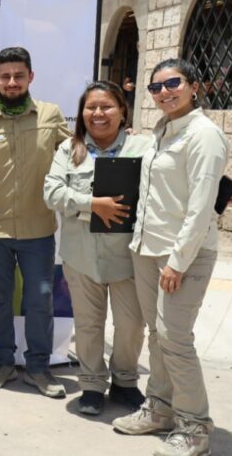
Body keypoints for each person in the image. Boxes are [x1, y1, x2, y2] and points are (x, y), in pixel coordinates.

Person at [112, 59, 230, 456]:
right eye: (156, 87)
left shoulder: (204, 135)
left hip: (183, 254)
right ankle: (160, 409)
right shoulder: (162, 131)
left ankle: (195, 428)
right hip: (148, 247)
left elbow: (201, 206)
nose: (164, 92)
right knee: (158, 336)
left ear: (194, 86)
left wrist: (178, 261)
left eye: (173, 83)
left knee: (176, 339)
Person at [0, 46, 70, 398]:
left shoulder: (51, 116)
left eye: (18, 75)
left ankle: (38, 367)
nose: (11, 82)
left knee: (40, 300)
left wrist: (116, 138)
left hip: (38, 231)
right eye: (5, 76)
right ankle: (3, 362)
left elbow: (77, 155)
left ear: (31, 77)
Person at [43, 81, 151, 416]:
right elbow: (51, 193)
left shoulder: (144, 147)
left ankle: (125, 381)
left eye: (107, 107)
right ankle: (91, 384)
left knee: (132, 325)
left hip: (129, 256)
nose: (98, 114)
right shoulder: (69, 150)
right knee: (89, 325)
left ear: (122, 111)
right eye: (91, 107)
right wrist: (91, 204)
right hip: (82, 256)